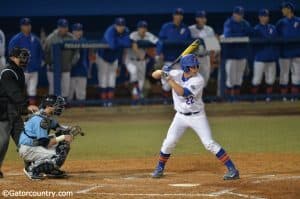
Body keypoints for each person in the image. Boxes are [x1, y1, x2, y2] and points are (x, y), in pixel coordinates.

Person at [151, 54, 239, 180]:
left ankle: (233, 170)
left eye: (196, 66)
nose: (196, 68)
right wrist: (162, 71)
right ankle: (159, 168)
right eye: (192, 67)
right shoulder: (175, 73)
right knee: (169, 142)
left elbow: (182, 93)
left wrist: (168, 79)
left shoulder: (198, 80)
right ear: (185, 68)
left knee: (209, 143)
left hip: (197, 116)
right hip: (180, 116)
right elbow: (154, 75)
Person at [0, 47, 38, 178]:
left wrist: (22, 109)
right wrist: (26, 106)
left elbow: (17, 94)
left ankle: (31, 166)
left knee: (24, 140)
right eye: (21, 57)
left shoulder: (18, 71)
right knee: (2, 142)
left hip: (13, 112)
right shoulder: (7, 72)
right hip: (3, 113)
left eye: (25, 57)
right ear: (12, 57)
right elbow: (13, 93)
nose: (24, 60)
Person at [18, 95, 73, 180]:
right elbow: (45, 143)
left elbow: (59, 127)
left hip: (34, 145)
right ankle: (31, 169)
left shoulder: (45, 116)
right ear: (48, 106)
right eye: (57, 106)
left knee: (63, 145)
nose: (60, 108)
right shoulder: (40, 120)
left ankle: (50, 170)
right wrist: (63, 137)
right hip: (28, 149)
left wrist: (69, 130)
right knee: (58, 157)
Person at [157, 8, 192, 102]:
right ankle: (164, 101)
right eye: (177, 14)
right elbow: (160, 41)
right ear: (173, 16)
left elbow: (189, 44)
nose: (178, 16)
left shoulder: (185, 28)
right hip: (168, 60)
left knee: (181, 83)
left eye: (180, 15)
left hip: (181, 61)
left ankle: (179, 102)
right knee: (167, 83)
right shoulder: (166, 27)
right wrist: (159, 53)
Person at [96, 17, 131, 107]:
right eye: (119, 25)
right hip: (102, 57)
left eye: (122, 25)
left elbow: (127, 44)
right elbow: (112, 45)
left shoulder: (126, 31)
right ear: (115, 25)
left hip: (114, 57)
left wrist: (117, 41)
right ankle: (104, 102)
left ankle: (110, 101)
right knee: (103, 79)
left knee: (112, 79)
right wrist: (121, 41)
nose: (121, 27)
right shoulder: (110, 31)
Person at [8, 18, 44, 105]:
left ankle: (31, 110)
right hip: (22, 70)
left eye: (28, 25)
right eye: (25, 25)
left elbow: (40, 53)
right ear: (21, 26)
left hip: (33, 69)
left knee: (32, 90)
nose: (27, 27)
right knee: (18, 89)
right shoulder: (16, 39)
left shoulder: (35, 38)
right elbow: (11, 53)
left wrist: (39, 64)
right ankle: (16, 109)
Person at [45, 18, 79, 100]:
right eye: (62, 27)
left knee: (65, 90)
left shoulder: (72, 38)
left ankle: (63, 106)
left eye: (66, 27)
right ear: (58, 27)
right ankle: (52, 106)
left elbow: (76, 53)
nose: (64, 29)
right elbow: (46, 52)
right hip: (52, 69)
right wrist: (49, 63)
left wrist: (71, 63)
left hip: (66, 68)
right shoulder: (51, 38)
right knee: (53, 89)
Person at [125, 20, 158, 102]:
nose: (143, 29)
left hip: (142, 61)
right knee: (134, 72)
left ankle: (137, 96)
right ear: (138, 29)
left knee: (141, 80)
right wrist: (139, 54)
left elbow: (158, 42)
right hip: (131, 60)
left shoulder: (149, 35)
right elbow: (134, 44)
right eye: (141, 28)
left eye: (144, 28)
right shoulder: (133, 35)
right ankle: (135, 92)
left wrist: (157, 54)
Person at [223, 6, 252, 98]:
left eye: (241, 14)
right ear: (233, 14)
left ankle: (236, 99)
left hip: (242, 54)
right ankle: (228, 99)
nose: (239, 16)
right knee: (230, 79)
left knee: (239, 78)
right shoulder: (228, 23)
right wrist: (242, 35)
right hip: (231, 55)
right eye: (237, 14)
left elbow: (249, 33)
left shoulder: (245, 23)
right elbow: (228, 35)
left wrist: (237, 35)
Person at [251, 9, 278, 102]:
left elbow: (275, 39)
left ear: (268, 17)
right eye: (262, 16)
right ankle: (254, 99)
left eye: (266, 16)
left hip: (271, 57)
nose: (264, 18)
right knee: (256, 80)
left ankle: (268, 98)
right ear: (259, 17)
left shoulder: (273, 27)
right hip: (259, 58)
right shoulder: (256, 29)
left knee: (270, 80)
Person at [276, 2, 300, 101]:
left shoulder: (299, 21)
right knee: (284, 75)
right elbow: (276, 37)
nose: (282, 10)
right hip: (284, 53)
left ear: (289, 9)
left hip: (297, 52)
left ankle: (294, 98)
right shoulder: (280, 22)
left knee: (297, 75)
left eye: (284, 9)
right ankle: (284, 98)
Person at [189, 10, 217, 86]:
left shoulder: (209, 30)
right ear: (196, 19)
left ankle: (201, 97)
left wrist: (213, 60)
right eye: (200, 18)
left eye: (203, 18)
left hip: (205, 58)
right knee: (192, 80)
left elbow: (213, 48)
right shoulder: (190, 29)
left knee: (205, 80)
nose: (202, 20)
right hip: (194, 57)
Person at [68, 23, 89, 102]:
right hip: (71, 71)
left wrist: (87, 70)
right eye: (76, 30)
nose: (78, 32)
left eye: (80, 30)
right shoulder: (69, 41)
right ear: (72, 32)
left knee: (81, 93)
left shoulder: (84, 41)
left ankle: (82, 112)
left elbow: (87, 58)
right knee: (69, 93)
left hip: (82, 71)